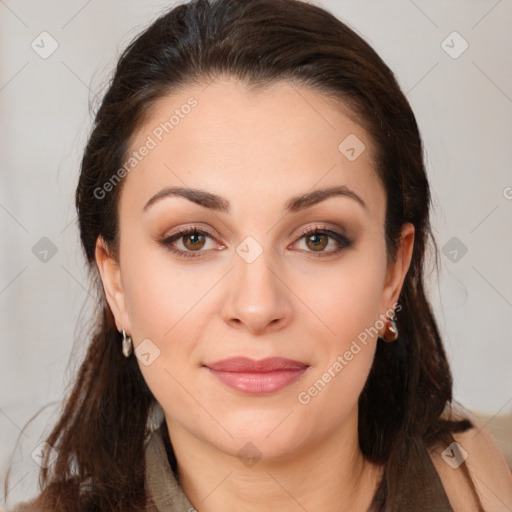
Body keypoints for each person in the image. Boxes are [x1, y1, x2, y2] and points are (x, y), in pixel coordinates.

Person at [6, 0, 512, 510]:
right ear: (115, 281)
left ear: (393, 273)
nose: (256, 306)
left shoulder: (488, 479)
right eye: (193, 239)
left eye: (318, 238)